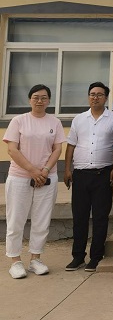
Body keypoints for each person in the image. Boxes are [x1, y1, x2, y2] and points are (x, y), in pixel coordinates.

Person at [4, 84, 65, 279]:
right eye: (36, 97)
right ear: (30, 99)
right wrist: (32, 170)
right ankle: (15, 261)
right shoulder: (18, 120)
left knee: (41, 220)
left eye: (44, 97)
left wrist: (44, 171)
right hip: (20, 177)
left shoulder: (54, 122)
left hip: (47, 177)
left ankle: (35, 259)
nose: (40, 101)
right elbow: (12, 149)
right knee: (16, 219)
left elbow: (57, 149)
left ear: (49, 101)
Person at [64, 83, 113, 272]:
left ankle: (96, 256)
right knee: (79, 217)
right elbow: (71, 145)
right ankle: (78, 256)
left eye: (99, 94)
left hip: (103, 174)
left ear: (106, 97)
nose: (95, 97)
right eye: (92, 94)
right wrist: (67, 169)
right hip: (80, 175)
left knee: (100, 217)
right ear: (88, 97)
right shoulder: (79, 119)